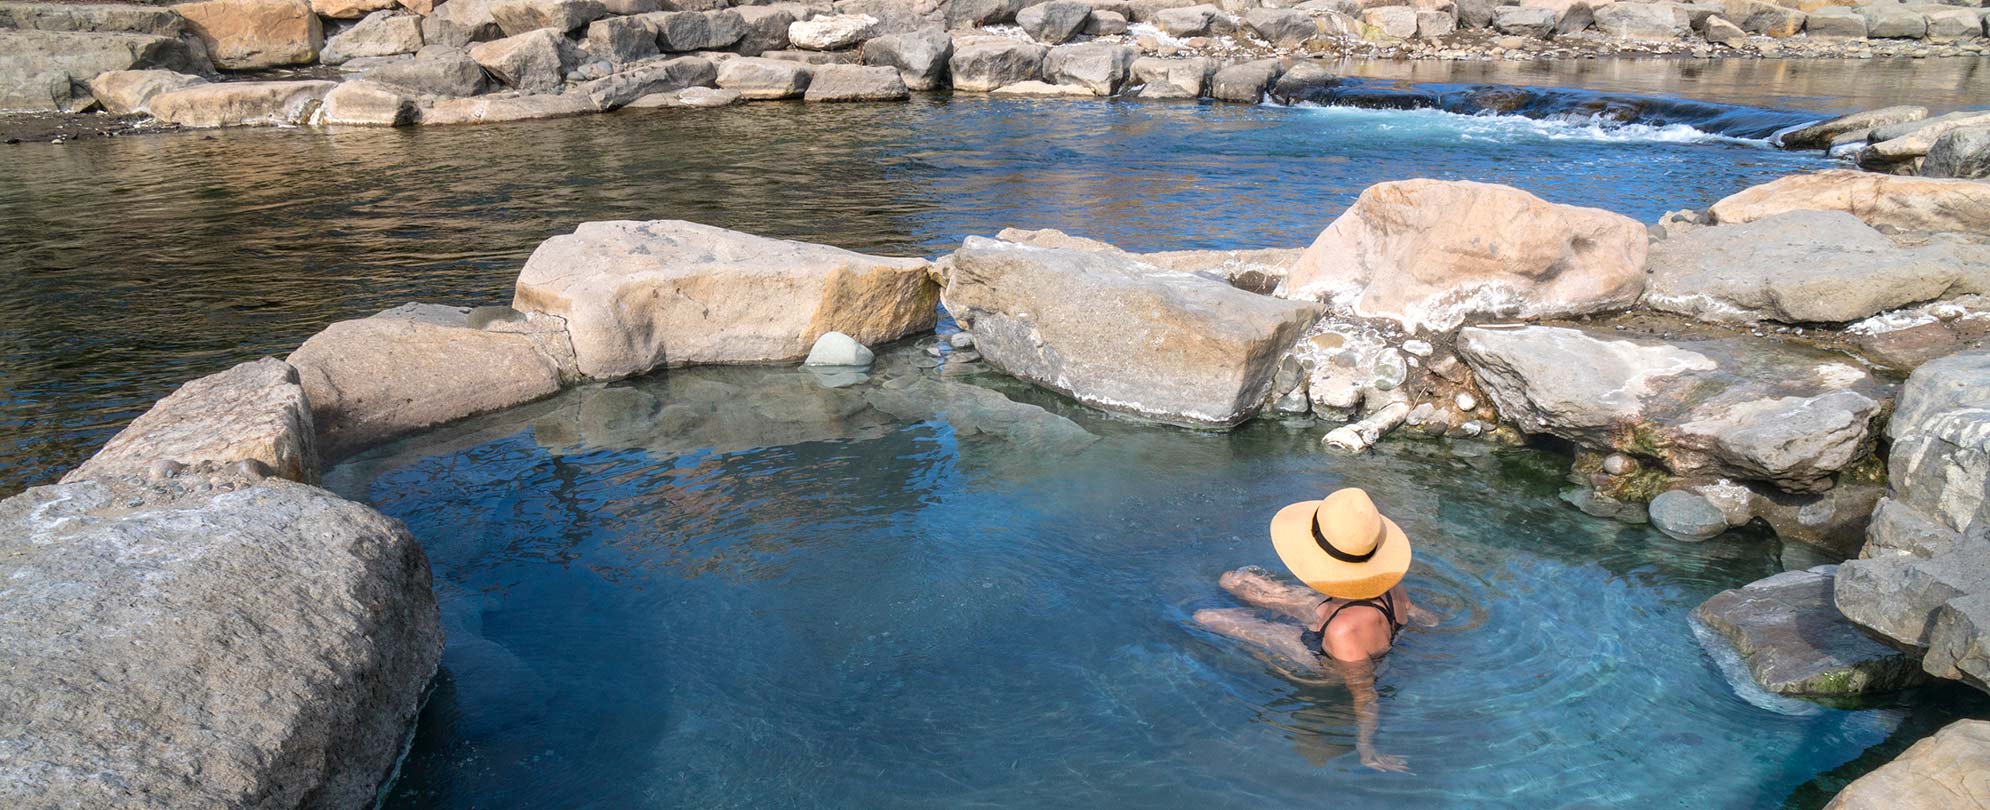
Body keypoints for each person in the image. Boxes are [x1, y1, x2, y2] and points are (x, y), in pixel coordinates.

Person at [1194, 487, 1436, 773]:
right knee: (1234, 581)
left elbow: (1364, 692)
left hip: (1322, 654)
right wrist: (1429, 630)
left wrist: (1367, 749)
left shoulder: (1343, 631)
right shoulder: (1388, 581)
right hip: (1351, 607)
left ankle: (1267, 619)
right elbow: (1417, 614)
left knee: (1205, 617)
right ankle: (1268, 610)